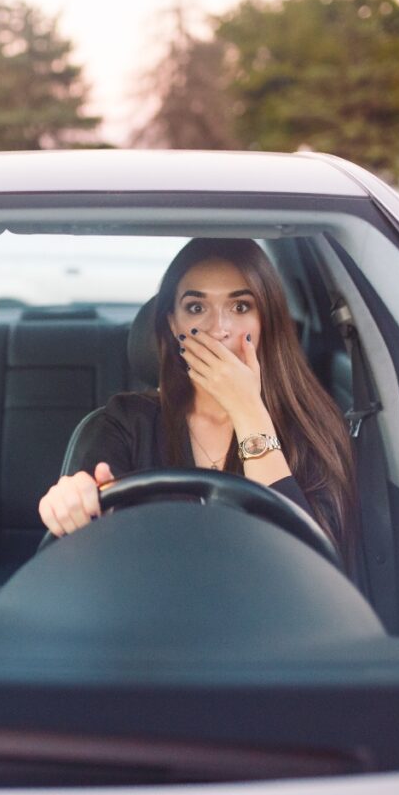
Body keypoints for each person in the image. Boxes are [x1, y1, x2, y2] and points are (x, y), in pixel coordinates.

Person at [37, 237, 356, 567]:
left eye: (240, 307)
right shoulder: (125, 423)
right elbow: (83, 543)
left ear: (267, 322)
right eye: (196, 308)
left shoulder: (312, 427)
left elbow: (312, 570)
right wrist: (72, 501)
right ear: (173, 324)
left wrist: (248, 411)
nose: (219, 329)